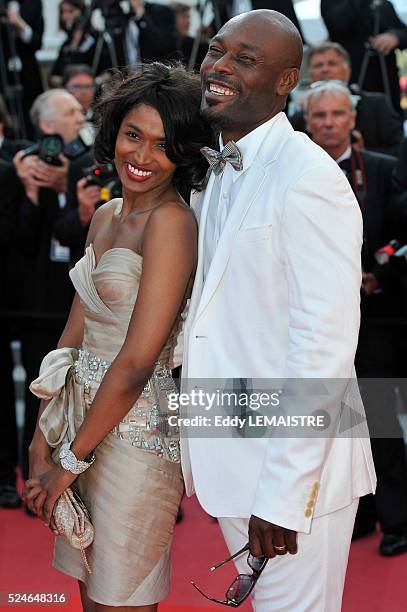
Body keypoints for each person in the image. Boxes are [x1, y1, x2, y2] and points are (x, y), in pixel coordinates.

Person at [180, 10, 376, 610]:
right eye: (217, 50)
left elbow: (323, 345)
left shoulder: (309, 176)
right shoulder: (213, 169)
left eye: (246, 58)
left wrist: (285, 495)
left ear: (287, 80)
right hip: (230, 453)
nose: (218, 66)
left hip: (292, 475)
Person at [24, 63, 212, 610]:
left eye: (163, 144)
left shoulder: (172, 225)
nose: (142, 156)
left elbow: (135, 361)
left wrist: (68, 462)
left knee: (120, 598)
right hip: (81, 419)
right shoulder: (105, 215)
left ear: (184, 154)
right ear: (113, 131)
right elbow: (74, 332)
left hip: (134, 437)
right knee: (90, 593)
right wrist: (44, 431)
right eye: (134, 135)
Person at [305, 81, 407, 556]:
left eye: (335, 114)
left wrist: (378, 274)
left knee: (382, 419)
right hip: (316, 323)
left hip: (376, 320)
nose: (327, 123)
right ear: (307, 121)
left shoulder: (383, 171)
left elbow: (401, 234)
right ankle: (359, 514)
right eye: (318, 115)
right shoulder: (295, 175)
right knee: (338, 421)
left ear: (352, 119)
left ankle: (397, 520)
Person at [13, 89, 86, 487]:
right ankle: (32, 473)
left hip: (81, 300)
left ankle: (75, 469)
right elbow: (22, 240)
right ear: (46, 126)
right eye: (70, 111)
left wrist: (66, 185)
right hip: (37, 304)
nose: (80, 115)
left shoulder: (87, 164)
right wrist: (30, 189)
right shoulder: (24, 167)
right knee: (40, 389)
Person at [290, 41, 402, 156]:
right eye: (318, 65)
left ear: (347, 71)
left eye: (332, 64)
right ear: (310, 73)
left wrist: (362, 155)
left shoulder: (376, 106)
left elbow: (399, 150)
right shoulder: (298, 118)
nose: (325, 69)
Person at [321, 0, 407, 116]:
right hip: (353, 80)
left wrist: (394, 36)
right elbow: (337, 24)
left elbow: (403, 32)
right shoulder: (333, 3)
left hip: (386, 83)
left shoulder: (382, 4)